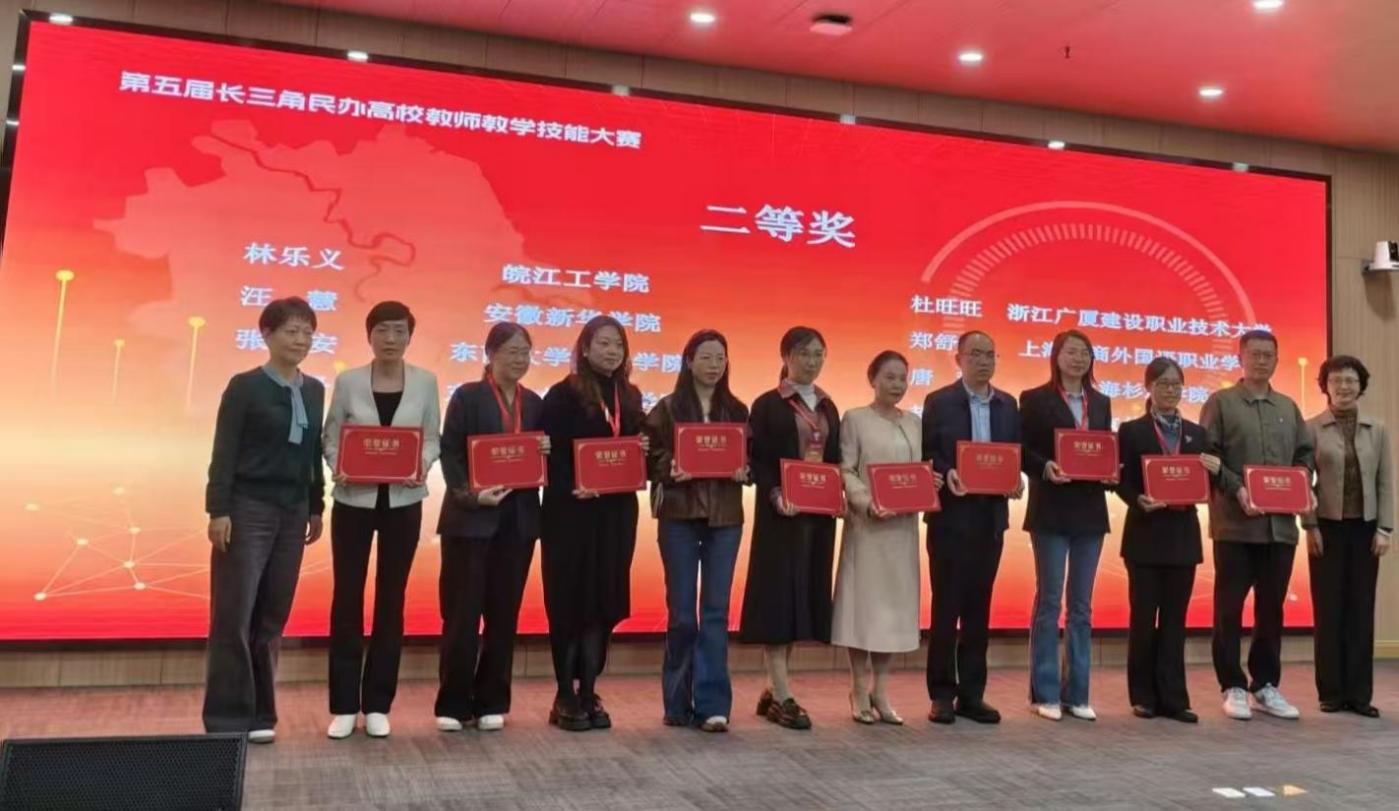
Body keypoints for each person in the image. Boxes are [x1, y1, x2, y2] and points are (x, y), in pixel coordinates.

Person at [202, 297, 325, 743]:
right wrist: (218, 510)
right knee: (234, 614)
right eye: (291, 331)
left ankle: (261, 715)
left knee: (273, 615)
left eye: (307, 332)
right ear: (267, 335)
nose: (300, 340)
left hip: (293, 512)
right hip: (247, 507)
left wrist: (317, 505)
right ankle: (228, 717)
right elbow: (224, 452)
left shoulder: (315, 390)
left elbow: (313, 454)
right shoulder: (244, 387)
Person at [321, 301, 441, 739]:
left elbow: (432, 437)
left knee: (392, 599)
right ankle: (343, 704)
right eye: (383, 331)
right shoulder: (348, 381)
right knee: (347, 597)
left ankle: (377, 703)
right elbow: (332, 435)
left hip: (404, 502)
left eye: (399, 331)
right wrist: (339, 464)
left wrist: (419, 465)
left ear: (410, 336)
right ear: (369, 335)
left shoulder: (426, 382)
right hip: (353, 501)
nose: (391, 339)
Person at [434, 322, 549, 733]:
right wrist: (470, 495)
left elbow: (541, 461)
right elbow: (450, 453)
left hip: (518, 523)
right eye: (512, 351)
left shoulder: (534, 403)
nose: (520, 359)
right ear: (490, 354)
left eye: (525, 353)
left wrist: (545, 451)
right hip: (470, 521)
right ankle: (453, 702)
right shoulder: (467, 396)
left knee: (503, 616)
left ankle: (491, 701)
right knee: (461, 614)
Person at [1200, 329, 1315, 721]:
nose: (1262, 361)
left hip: (1280, 529)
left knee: (1271, 609)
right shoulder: (1221, 403)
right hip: (1236, 525)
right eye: (1255, 354)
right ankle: (1232, 685)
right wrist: (1238, 489)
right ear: (1241, 358)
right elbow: (1209, 456)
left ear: (1277, 360)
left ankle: (1265, 685)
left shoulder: (1288, 407)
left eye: (1268, 355)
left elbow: (1305, 455)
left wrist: (1303, 481)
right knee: (1228, 608)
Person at [540, 315, 647, 731]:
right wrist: (572, 485)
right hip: (571, 514)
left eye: (618, 344)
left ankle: (589, 690)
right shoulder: (562, 394)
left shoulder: (631, 396)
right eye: (603, 343)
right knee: (570, 601)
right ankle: (564, 693)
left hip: (616, 515)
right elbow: (546, 454)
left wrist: (644, 446)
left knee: (604, 601)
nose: (611, 351)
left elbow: (637, 452)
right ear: (584, 349)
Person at [643, 330, 750, 733]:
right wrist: (670, 466)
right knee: (683, 614)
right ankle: (676, 702)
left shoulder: (736, 409)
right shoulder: (667, 408)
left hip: (725, 518)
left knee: (716, 612)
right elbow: (648, 457)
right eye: (705, 357)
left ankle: (713, 705)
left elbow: (751, 459)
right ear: (688, 361)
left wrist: (745, 470)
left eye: (720, 357)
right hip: (679, 517)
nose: (713, 365)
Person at [738, 326, 841, 731]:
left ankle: (772, 686)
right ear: (785, 357)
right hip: (780, 515)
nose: (812, 362)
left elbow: (833, 460)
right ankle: (783, 693)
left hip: (816, 518)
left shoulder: (829, 406)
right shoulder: (767, 405)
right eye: (803, 354)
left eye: (818, 354)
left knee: (803, 600)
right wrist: (776, 493)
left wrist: (837, 496)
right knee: (778, 599)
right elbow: (758, 460)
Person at [832, 351, 937, 725]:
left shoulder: (914, 423)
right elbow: (845, 470)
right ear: (872, 379)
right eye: (889, 377)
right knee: (863, 610)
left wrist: (929, 484)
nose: (897, 385)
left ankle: (882, 690)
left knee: (893, 611)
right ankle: (859, 688)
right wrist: (865, 502)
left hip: (901, 530)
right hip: (868, 529)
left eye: (902, 378)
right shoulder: (855, 419)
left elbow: (919, 471)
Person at [922, 330, 1022, 725]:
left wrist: (1016, 480)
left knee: (979, 610)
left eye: (990, 354)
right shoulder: (939, 401)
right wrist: (945, 472)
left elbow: (1012, 455)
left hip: (990, 519)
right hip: (950, 518)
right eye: (976, 354)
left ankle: (973, 695)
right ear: (958, 358)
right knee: (946, 607)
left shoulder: (1007, 404)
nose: (984, 361)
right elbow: (927, 452)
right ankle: (941, 694)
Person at [1114, 357, 1220, 724]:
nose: (1170, 390)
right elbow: (1121, 480)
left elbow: (1208, 482)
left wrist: (1214, 472)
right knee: (1143, 618)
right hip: (1144, 534)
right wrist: (1136, 499)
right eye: (1163, 383)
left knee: (1176, 621)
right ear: (1148, 387)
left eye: (1176, 384)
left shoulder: (1197, 434)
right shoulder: (1131, 431)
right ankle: (1143, 696)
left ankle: (1175, 698)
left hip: (1182, 537)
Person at [1020, 328, 1113, 722]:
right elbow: (1022, 450)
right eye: (1071, 352)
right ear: (1056, 356)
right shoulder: (1035, 399)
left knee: (1081, 606)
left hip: (1090, 512)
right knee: (1049, 601)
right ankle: (1044, 693)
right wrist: (1044, 467)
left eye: (1085, 353)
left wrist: (1111, 471)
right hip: (1051, 511)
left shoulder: (1101, 402)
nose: (1078, 359)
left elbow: (1104, 449)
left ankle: (1077, 693)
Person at [1302, 355, 1392, 717]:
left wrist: (1385, 528)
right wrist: (1310, 525)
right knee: (1329, 610)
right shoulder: (1311, 428)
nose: (1344, 387)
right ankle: (1331, 692)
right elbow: (1301, 482)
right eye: (1336, 380)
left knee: (1360, 609)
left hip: (1366, 529)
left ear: (1361, 386)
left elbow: (1385, 481)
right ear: (1325, 386)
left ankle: (1359, 695)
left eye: (1351, 381)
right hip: (1326, 528)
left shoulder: (1378, 429)